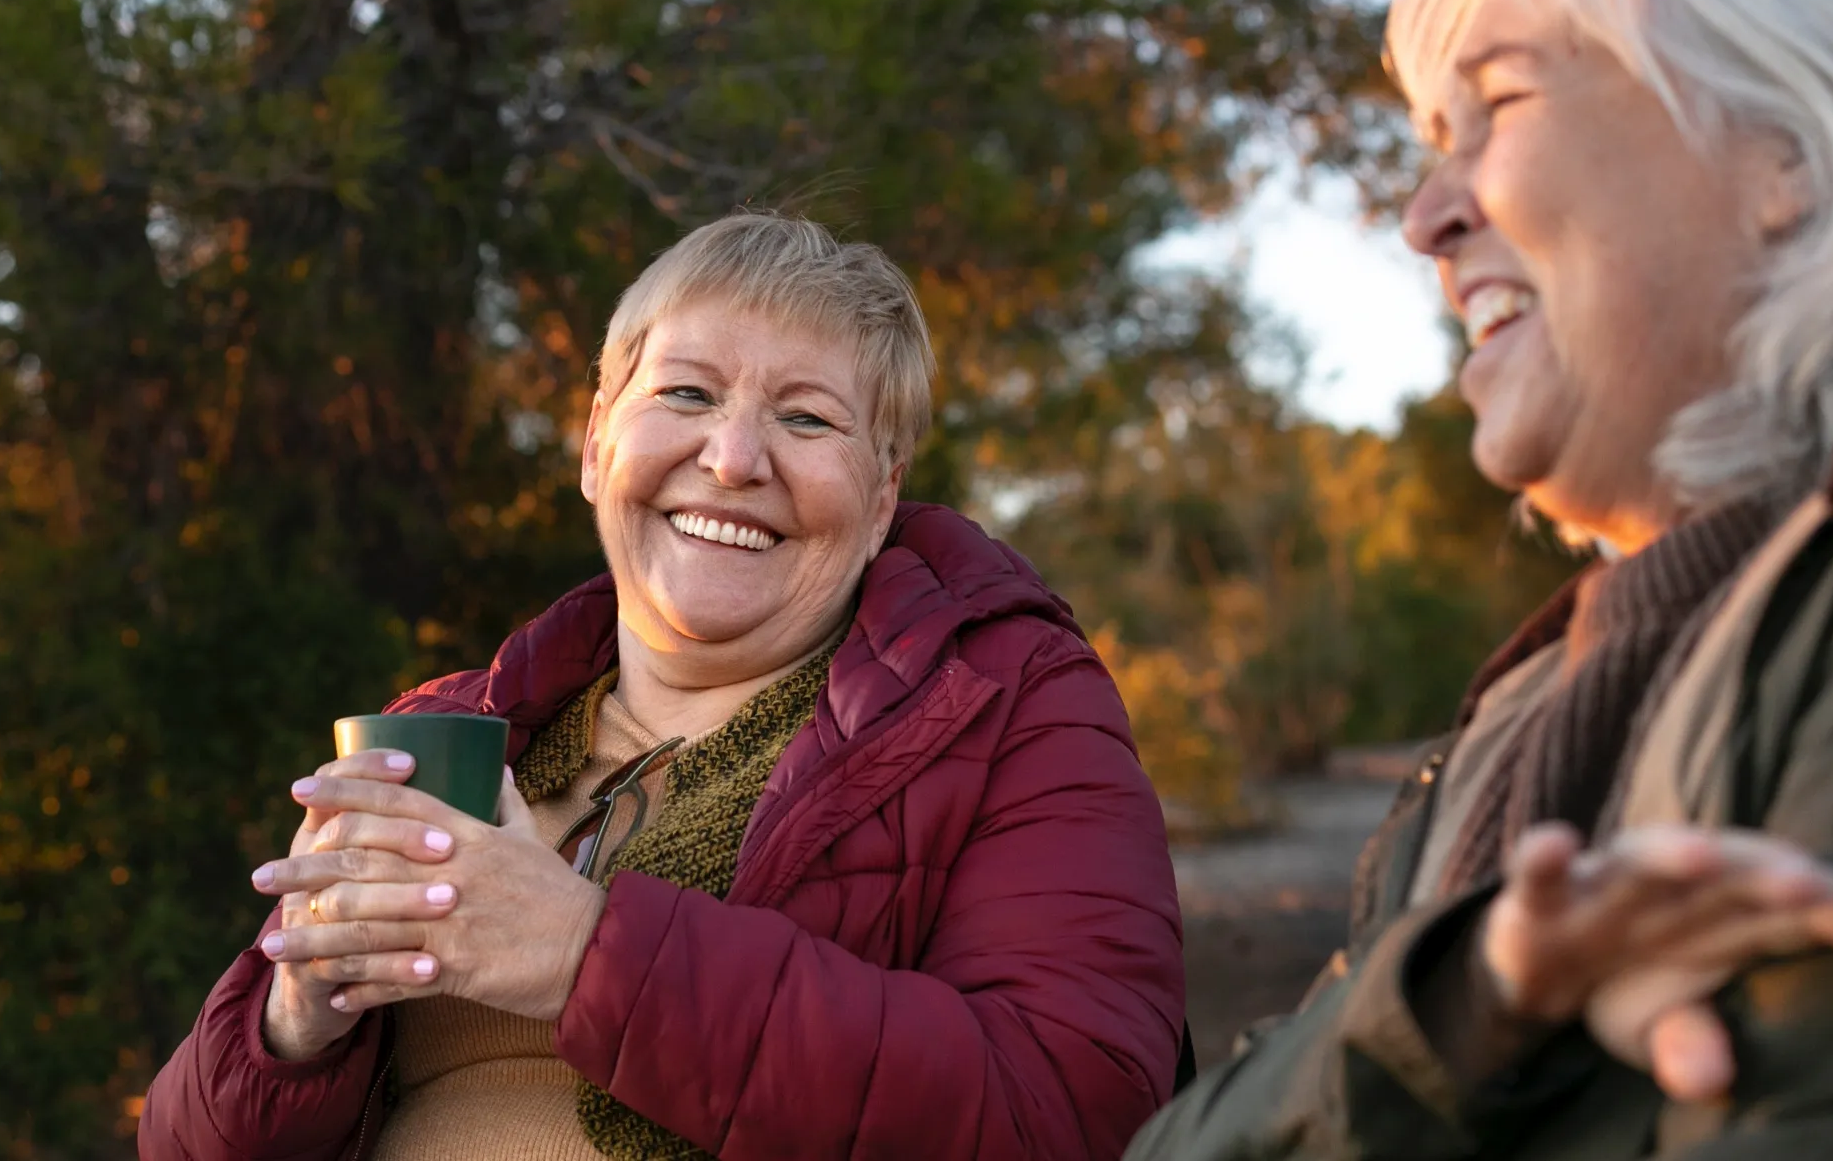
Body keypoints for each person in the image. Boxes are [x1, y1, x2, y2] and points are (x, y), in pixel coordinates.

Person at [1126, 0, 1833, 1157]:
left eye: (1502, 106)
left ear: (1795, 142)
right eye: (1434, 136)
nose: (1425, 217)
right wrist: (1472, 999)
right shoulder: (1523, 712)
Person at [139, 213, 1189, 1160]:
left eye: (807, 419)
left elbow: (1069, 1106)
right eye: (686, 393)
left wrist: (581, 954)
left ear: (882, 497)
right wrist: (294, 1022)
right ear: (597, 444)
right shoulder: (456, 724)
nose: (732, 459)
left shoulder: (1006, 704)